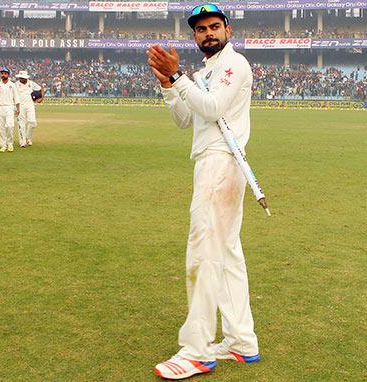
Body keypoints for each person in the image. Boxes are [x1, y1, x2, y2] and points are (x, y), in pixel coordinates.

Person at [147, 4, 260, 380]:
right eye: (200, 29)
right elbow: (185, 119)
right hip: (211, 162)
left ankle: (197, 351)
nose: (208, 33)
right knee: (226, 255)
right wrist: (168, 84)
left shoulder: (234, 65)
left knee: (203, 253)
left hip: (221, 161)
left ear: (228, 29)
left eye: (214, 26)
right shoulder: (202, 72)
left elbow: (211, 108)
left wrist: (177, 76)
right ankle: (241, 341)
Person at [0, 67, 20, 153]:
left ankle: (10, 143)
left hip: (10, 107)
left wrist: (18, 108)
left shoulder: (12, 85)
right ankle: (3, 145)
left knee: (9, 126)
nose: (3, 75)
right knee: (1, 128)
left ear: (8, 75)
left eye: (5, 73)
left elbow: (16, 97)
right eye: (2, 73)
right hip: (0, 107)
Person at [15, 70, 44, 147]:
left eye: (22, 78)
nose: (21, 79)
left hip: (30, 105)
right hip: (20, 106)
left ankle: (28, 137)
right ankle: (22, 142)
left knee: (33, 123)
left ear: (26, 78)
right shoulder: (16, 84)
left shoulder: (31, 83)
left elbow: (41, 88)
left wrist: (41, 98)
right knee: (21, 124)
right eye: (20, 77)